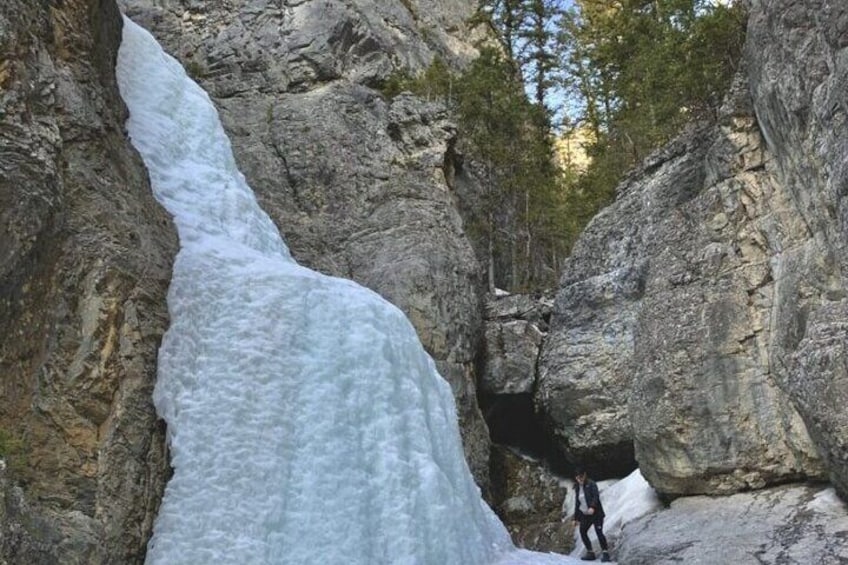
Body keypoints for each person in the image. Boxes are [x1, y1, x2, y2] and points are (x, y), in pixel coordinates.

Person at [571, 467, 610, 562]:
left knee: (599, 532)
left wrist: (592, 507)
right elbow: (577, 503)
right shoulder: (577, 487)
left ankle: (605, 553)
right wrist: (576, 518)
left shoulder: (591, 484)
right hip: (585, 514)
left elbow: (596, 496)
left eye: (581, 477)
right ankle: (590, 552)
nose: (579, 479)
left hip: (596, 513)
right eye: (577, 478)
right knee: (582, 531)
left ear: (585, 475)